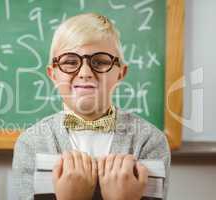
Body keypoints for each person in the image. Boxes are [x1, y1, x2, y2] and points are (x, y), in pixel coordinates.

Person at [12, 13, 170, 200]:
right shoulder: (31, 144)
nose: (85, 73)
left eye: (101, 61)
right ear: (52, 74)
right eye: (70, 62)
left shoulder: (149, 140)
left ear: (121, 72)